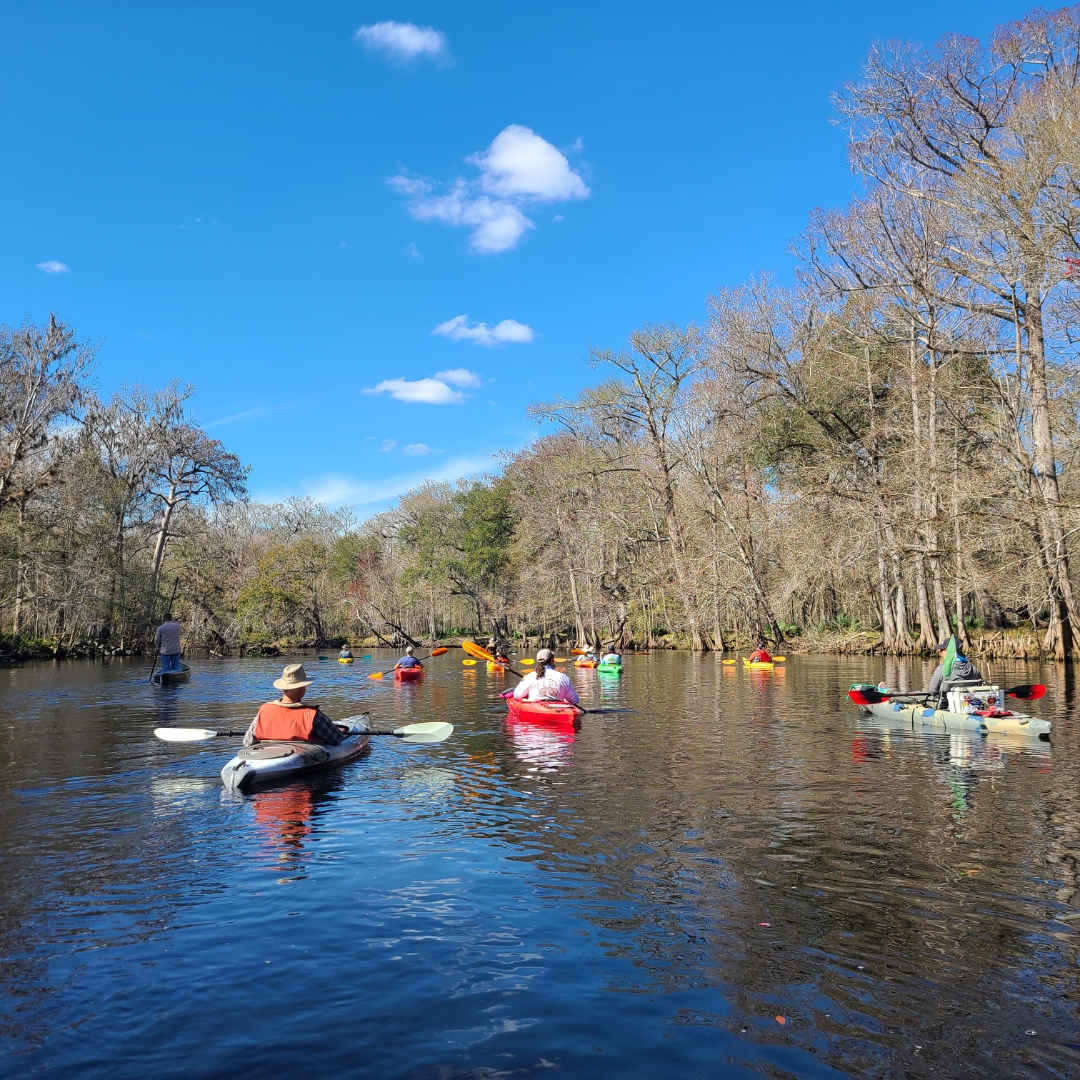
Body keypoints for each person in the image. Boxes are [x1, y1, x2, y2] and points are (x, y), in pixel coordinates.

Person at [244, 663, 344, 747]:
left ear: (283, 688)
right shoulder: (312, 714)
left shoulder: (264, 710)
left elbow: (247, 742)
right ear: (302, 689)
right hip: (303, 758)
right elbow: (337, 739)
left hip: (267, 753)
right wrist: (339, 731)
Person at [513, 649, 580, 705]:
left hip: (536, 708)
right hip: (558, 709)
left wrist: (523, 680)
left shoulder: (530, 676)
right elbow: (574, 700)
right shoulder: (564, 677)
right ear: (551, 660)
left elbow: (517, 695)